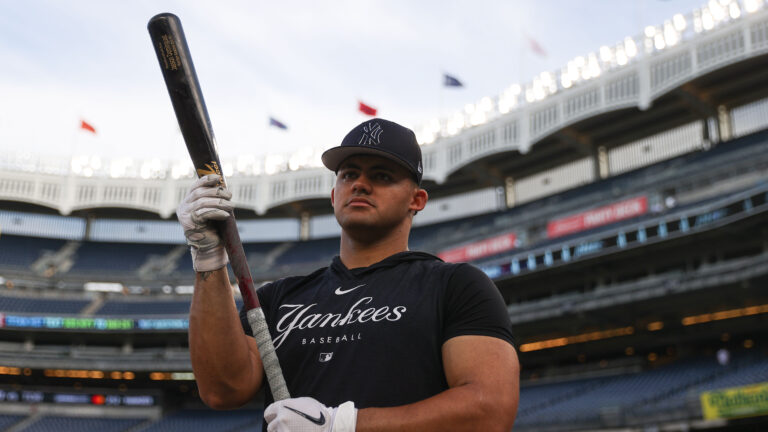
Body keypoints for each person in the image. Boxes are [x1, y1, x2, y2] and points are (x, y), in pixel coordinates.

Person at [177, 118, 520, 431]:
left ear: (417, 199)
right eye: (349, 174)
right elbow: (222, 390)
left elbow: (490, 410)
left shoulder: (456, 286)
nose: (360, 184)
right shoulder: (275, 298)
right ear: (333, 194)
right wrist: (208, 258)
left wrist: (342, 425)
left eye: (382, 176)